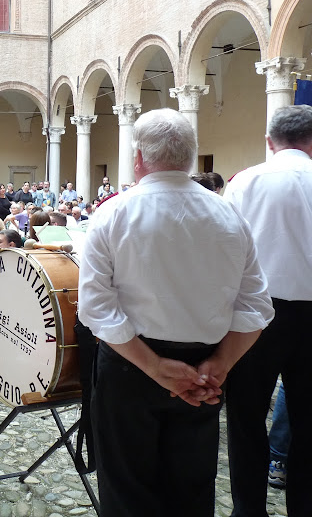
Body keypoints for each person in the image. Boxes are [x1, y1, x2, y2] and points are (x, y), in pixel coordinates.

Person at [79, 108, 274, 517]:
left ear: (138, 158)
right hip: (203, 367)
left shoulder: (113, 213)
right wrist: (219, 365)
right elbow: (256, 304)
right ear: (190, 157)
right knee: (191, 487)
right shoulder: (228, 215)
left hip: (131, 365)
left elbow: (96, 308)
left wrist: (153, 366)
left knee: (128, 489)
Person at [223, 104, 312, 517]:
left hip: (255, 318)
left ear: (269, 142)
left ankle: (248, 513)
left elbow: (224, 253)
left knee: (245, 422)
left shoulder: (245, 182)